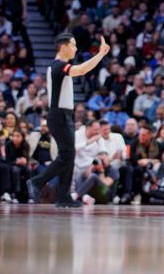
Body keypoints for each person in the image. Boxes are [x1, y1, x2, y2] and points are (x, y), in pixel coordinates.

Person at [27, 33, 110, 208]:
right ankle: (37, 182)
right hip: (58, 115)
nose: (76, 48)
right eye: (73, 45)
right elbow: (81, 70)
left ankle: (63, 196)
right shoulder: (58, 66)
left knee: (69, 155)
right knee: (66, 155)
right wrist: (100, 54)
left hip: (64, 115)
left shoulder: (60, 66)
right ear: (63, 47)